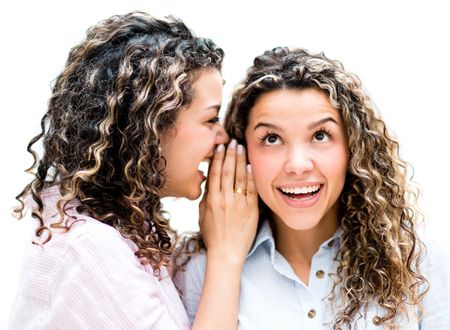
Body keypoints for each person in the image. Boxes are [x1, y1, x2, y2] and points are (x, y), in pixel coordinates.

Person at [10, 12, 258, 329]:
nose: (222, 137)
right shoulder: (88, 248)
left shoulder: (126, 230)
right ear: (150, 131)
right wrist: (227, 254)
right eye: (210, 120)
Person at [176, 47, 450, 329]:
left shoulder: (420, 265)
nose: (297, 165)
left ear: (352, 148)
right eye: (271, 139)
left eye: (320, 135)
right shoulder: (199, 266)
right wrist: (225, 262)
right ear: (241, 151)